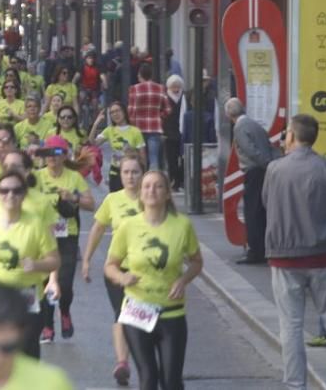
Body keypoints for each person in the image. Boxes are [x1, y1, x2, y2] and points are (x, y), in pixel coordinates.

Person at [262, 114, 326, 390]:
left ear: (291, 135)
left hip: (284, 256)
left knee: (291, 324)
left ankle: (295, 384)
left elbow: (267, 203)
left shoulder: (275, 169)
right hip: (323, 254)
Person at [105, 170, 203, 390]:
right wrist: (122, 276)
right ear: (140, 193)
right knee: (148, 378)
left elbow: (197, 262)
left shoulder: (182, 225)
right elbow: (109, 266)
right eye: (147, 186)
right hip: (137, 312)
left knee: (171, 381)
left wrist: (183, 280)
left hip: (172, 313)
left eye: (158, 186)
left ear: (168, 193)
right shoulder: (128, 226)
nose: (152, 191)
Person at [0, 168, 59, 359]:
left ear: (24, 194)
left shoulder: (36, 225)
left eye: (16, 190)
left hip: (27, 297)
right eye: (4, 190)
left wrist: (36, 265)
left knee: (27, 352)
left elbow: (55, 260)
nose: (10, 195)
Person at [82, 156, 144, 386]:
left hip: (145, 270)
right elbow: (98, 229)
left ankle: (143, 360)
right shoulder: (112, 200)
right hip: (117, 268)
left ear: (142, 174)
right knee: (121, 314)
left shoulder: (151, 199)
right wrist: (87, 260)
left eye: (135, 172)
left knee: (139, 317)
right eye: (126, 172)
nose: (130, 177)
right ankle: (122, 363)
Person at [36, 135, 94, 343]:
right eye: (49, 153)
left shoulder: (74, 177)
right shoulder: (37, 177)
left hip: (67, 234)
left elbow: (91, 204)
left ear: (64, 156)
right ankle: (47, 326)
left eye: (58, 153)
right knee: (44, 282)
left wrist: (73, 197)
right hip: (43, 237)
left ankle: (65, 311)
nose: (53, 157)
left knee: (66, 283)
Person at [226, 97, 274, 265]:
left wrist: (265, 163)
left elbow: (250, 150)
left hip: (254, 171)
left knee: (252, 212)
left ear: (228, 114)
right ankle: (264, 248)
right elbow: (267, 145)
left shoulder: (239, 127)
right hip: (263, 171)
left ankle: (255, 251)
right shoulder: (254, 124)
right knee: (261, 210)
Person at [89, 101, 146, 191]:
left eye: (118, 111)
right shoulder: (109, 130)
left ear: (124, 111)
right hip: (115, 171)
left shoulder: (135, 131)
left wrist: (143, 174)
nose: (115, 114)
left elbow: (142, 156)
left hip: (131, 171)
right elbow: (92, 143)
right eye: (112, 112)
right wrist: (96, 123)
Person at [126, 63, 169, 171]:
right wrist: (159, 116)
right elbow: (168, 109)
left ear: (140, 75)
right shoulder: (160, 88)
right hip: (155, 127)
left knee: (139, 158)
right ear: (151, 75)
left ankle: (141, 181)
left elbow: (131, 110)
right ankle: (153, 181)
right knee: (154, 158)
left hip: (138, 127)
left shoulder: (134, 89)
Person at [163, 75, 187, 190]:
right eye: (173, 86)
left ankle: (181, 180)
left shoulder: (184, 97)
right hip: (169, 132)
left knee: (183, 159)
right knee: (171, 159)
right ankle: (174, 181)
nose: (176, 89)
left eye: (178, 86)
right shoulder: (165, 97)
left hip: (182, 132)